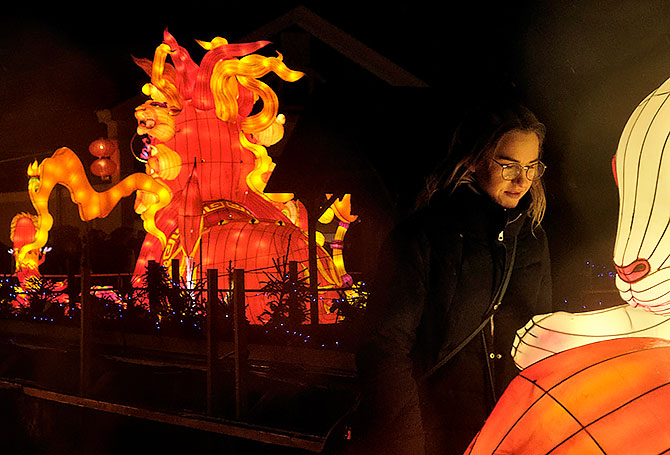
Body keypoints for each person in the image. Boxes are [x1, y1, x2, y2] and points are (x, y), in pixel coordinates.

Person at [354, 100, 553, 454]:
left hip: (508, 434)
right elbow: (385, 346)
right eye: (507, 165)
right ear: (474, 159)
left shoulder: (532, 238)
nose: (521, 180)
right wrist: (407, 441)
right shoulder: (422, 236)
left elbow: (539, 339)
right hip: (436, 433)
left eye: (531, 166)